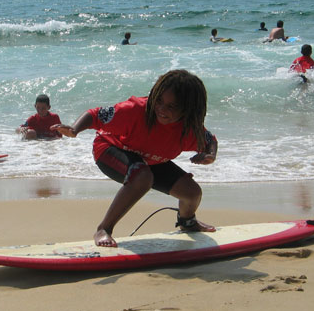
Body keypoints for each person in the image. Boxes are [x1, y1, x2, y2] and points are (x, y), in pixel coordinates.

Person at [52, 69, 218, 247]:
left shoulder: (189, 129)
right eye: (159, 101)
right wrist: (74, 129)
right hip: (110, 148)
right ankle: (104, 229)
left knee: (192, 193)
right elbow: (95, 114)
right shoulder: (136, 110)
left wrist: (210, 155)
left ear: (188, 110)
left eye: (171, 106)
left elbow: (210, 141)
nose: (161, 109)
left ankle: (188, 222)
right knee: (142, 176)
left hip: (150, 161)